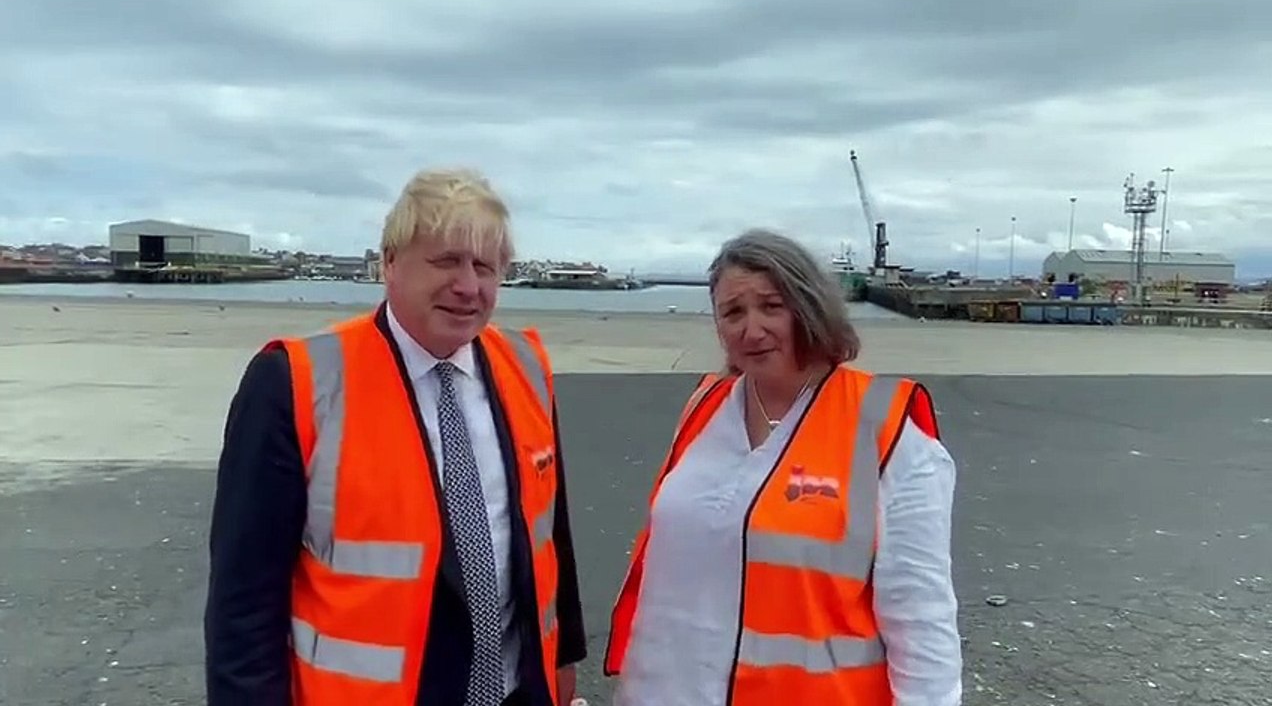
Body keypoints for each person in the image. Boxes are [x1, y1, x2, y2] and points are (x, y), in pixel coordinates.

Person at [204, 167, 587, 706]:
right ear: (388, 263)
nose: (468, 286)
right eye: (446, 260)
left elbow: (551, 533)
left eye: (485, 266)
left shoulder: (525, 366)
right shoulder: (295, 383)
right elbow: (242, 601)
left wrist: (563, 658)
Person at [602, 228, 963, 705]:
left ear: (809, 307)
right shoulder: (705, 407)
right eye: (733, 312)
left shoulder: (887, 431)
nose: (752, 330)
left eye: (771, 306)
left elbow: (923, 623)